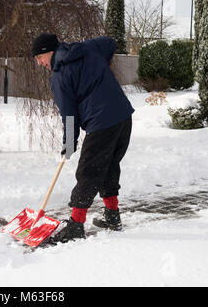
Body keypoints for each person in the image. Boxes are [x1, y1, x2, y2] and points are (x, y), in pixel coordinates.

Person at [32, 33, 134, 243]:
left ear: (48, 53)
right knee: (109, 166)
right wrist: (98, 74)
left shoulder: (59, 76)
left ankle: (76, 226)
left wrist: (69, 143)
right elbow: (110, 42)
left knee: (88, 171)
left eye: (39, 58)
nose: (39, 63)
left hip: (102, 122)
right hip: (123, 115)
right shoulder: (87, 48)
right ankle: (112, 217)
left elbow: (69, 115)